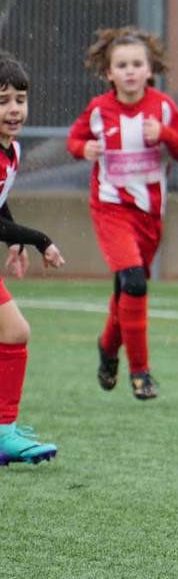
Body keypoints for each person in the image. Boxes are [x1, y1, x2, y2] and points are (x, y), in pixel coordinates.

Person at [66, 27, 178, 401]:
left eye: (137, 64)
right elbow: (73, 140)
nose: (130, 71)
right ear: (109, 73)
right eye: (122, 65)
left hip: (149, 214)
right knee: (134, 283)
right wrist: (83, 148)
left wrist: (165, 134)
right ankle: (140, 372)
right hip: (110, 208)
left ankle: (108, 348)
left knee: (127, 288)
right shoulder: (99, 109)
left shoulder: (164, 108)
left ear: (150, 69)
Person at [0, 53, 66, 464]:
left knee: (15, 332)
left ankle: (4, 428)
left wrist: (13, 242)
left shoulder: (12, 151)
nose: (14, 109)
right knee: (14, 331)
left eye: (20, 99)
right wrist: (40, 240)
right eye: (3, 100)